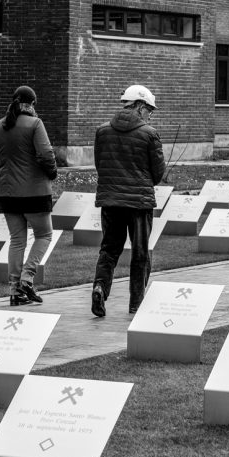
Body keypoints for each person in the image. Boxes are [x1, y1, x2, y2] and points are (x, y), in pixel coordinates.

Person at [90, 85, 165, 317]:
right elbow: (158, 173)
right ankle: (136, 303)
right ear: (140, 106)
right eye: (149, 109)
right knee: (140, 252)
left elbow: (99, 164)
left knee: (109, 250)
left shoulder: (102, 131)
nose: (150, 114)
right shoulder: (149, 133)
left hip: (110, 200)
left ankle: (100, 287)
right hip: (139, 202)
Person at [0, 85, 57, 306]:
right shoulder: (35, 124)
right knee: (44, 235)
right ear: (31, 104)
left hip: (7, 192)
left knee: (17, 241)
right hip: (34, 191)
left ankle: (14, 291)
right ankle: (28, 278)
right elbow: (46, 154)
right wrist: (52, 172)